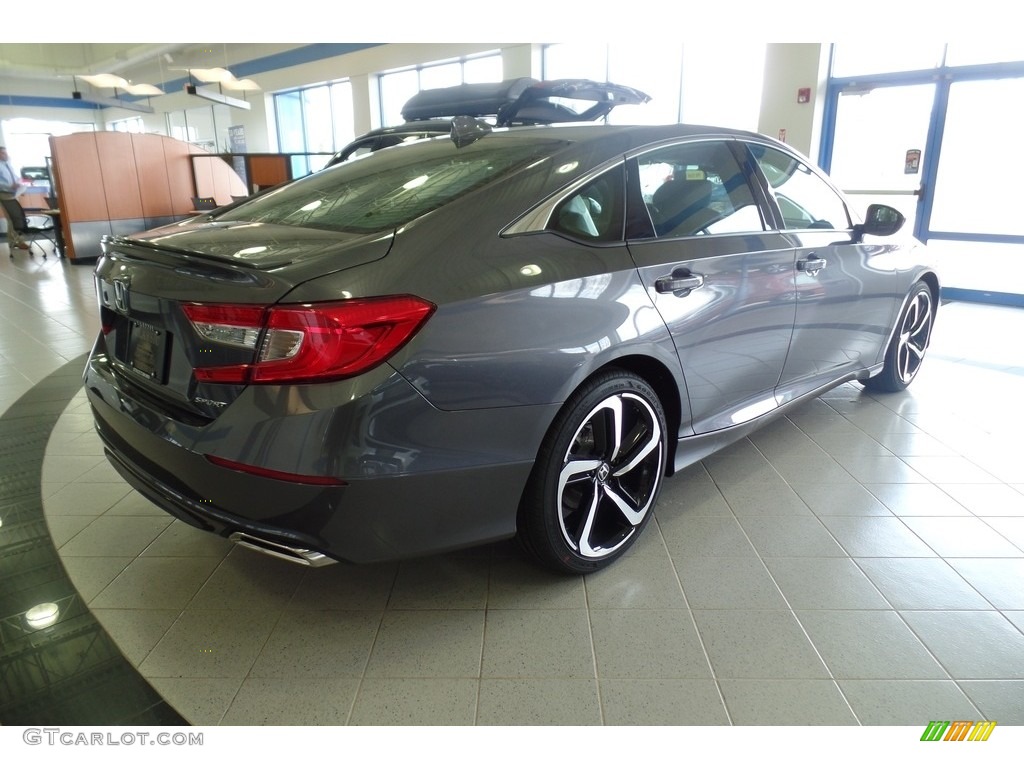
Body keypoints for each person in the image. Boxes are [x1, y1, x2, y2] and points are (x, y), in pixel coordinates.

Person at [0, 146, 29, 250]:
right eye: (3, 153)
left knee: (15, 217)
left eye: (5, 152)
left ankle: (15, 241)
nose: (5, 154)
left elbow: (15, 178)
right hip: (4, 194)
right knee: (12, 218)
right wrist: (9, 186)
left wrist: (21, 185)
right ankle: (17, 241)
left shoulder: (7, 164)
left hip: (13, 193)